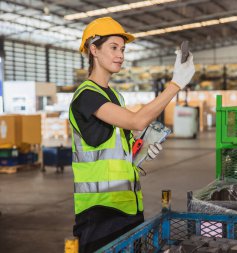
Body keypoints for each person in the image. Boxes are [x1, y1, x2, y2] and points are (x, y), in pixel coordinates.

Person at [69, 17, 195, 253]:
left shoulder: (114, 97)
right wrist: (175, 84)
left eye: (123, 49)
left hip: (128, 205)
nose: (120, 55)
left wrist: (143, 147)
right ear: (93, 49)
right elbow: (137, 120)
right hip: (99, 213)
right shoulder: (86, 95)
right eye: (113, 48)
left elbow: (127, 138)